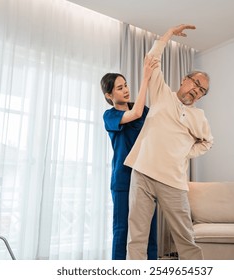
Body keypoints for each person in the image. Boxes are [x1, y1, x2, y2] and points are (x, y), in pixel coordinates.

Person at [124, 24, 214, 260]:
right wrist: (168, 35)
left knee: (186, 240)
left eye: (202, 91)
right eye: (195, 84)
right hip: (142, 173)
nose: (197, 90)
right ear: (185, 80)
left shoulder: (199, 117)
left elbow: (207, 143)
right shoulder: (161, 93)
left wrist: (185, 152)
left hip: (173, 181)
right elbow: (152, 59)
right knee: (137, 238)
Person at [101, 55, 159, 260]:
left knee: (150, 231)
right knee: (122, 230)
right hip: (124, 180)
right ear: (109, 95)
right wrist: (145, 78)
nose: (125, 89)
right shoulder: (110, 116)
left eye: (125, 85)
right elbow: (133, 115)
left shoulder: (143, 110)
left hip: (147, 178)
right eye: (119, 88)